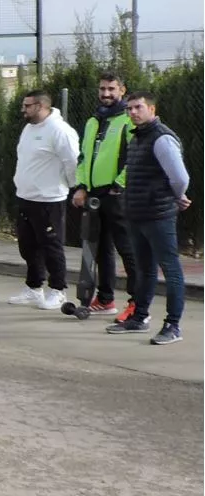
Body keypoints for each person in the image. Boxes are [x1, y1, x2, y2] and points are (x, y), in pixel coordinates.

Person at [107, 91, 191, 345]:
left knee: (171, 270)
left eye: (138, 107)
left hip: (158, 215)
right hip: (137, 214)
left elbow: (180, 177)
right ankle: (140, 317)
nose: (133, 112)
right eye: (129, 109)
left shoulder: (161, 139)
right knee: (144, 269)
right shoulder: (137, 138)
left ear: (152, 110)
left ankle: (173, 325)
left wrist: (177, 195)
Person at [7, 90, 80, 310]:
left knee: (51, 247)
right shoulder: (29, 129)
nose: (23, 109)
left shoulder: (60, 131)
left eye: (27, 105)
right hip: (26, 197)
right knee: (28, 247)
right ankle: (34, 288)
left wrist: (71, 187)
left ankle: (58, 290)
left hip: (49, 199)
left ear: (41, 106)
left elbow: (73, 162)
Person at [73, 73, 137, 320]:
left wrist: (119, 186)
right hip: (95, 194)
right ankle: (106, 298)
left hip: (116, 194)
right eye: (102, 89)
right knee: (101, 250)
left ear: (122, 90)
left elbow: (134, 157)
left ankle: (136, 303)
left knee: (127, 249)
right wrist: (81, 186)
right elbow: (83, 157)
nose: (106, 93)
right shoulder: (93, 120)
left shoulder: (128, 120)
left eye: (112, 89)